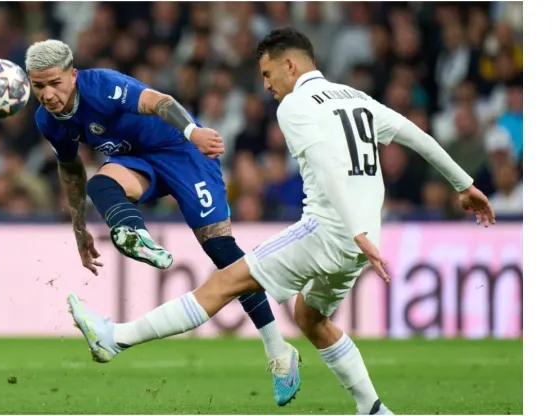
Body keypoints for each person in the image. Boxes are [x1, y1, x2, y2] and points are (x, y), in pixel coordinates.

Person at [67, 28, 496, 415]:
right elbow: (415, 136)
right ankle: (374, 409)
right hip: (360, 243)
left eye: (269, 74)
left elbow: (327, 166)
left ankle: (116, 338)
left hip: (331, 232)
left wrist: (356, 231)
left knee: (226, 282)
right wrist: (464, 184)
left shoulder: (294, 107)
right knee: (310, 318)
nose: (267, 86)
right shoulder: (356, 99)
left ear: (290, 65)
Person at [25, 39, 301, 406]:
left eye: (54, 83)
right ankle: (135, 234)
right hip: (139, 162)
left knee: (222, 252)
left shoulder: (102, 86)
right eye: (38, 86)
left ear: (72, 75)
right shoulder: (47, 121)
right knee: (101, 184)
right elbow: (71, 170)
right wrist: (79, 230)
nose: (47, 94)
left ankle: (279, 351)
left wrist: (193, 133)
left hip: (183, 152)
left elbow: (158, 101)